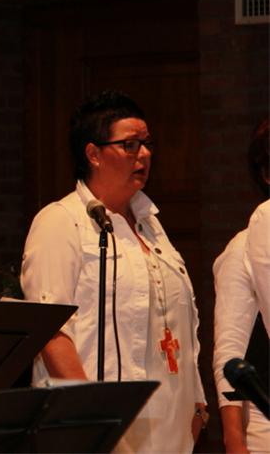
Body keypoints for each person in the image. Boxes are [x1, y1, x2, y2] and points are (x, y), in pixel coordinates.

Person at [20, 90, 207, 452]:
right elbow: (50, 330)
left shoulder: (151, 225)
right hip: (93, 426)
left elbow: (182, 321)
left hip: (169, 426)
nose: (145, 154)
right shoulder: (61, 221)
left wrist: (197, 404)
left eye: (147, 144)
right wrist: (94, 420)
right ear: (93, 154)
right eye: (130, 145)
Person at [213, 119, 270, 454]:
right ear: (266, 174)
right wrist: (234, 439)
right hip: (264, 424)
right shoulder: (243, 246)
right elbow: (229, 350)